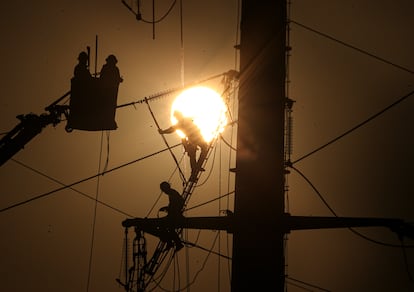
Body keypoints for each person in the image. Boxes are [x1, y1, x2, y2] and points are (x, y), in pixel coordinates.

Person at [159, 111, 208, 181]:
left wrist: (163, 132)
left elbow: (195, 117)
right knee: (194, 154)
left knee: (203, 149)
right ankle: (195, 170)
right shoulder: (180, 124)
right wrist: (163, 132)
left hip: (197, 137)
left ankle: (197, 166)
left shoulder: (186, 120)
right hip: (193, 139)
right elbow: (171, 130)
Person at [159, 181, 184, 251]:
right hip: (174, 214)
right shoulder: (172, 193)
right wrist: (166, 208)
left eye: (163, 190)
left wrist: (168, 209)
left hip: (175, 215)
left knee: (168, 227)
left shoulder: (173, 193)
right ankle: (170, 242)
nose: (163, 191)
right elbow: (173, 205)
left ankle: (174, 243)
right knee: (168, 228)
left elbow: (175, 205)